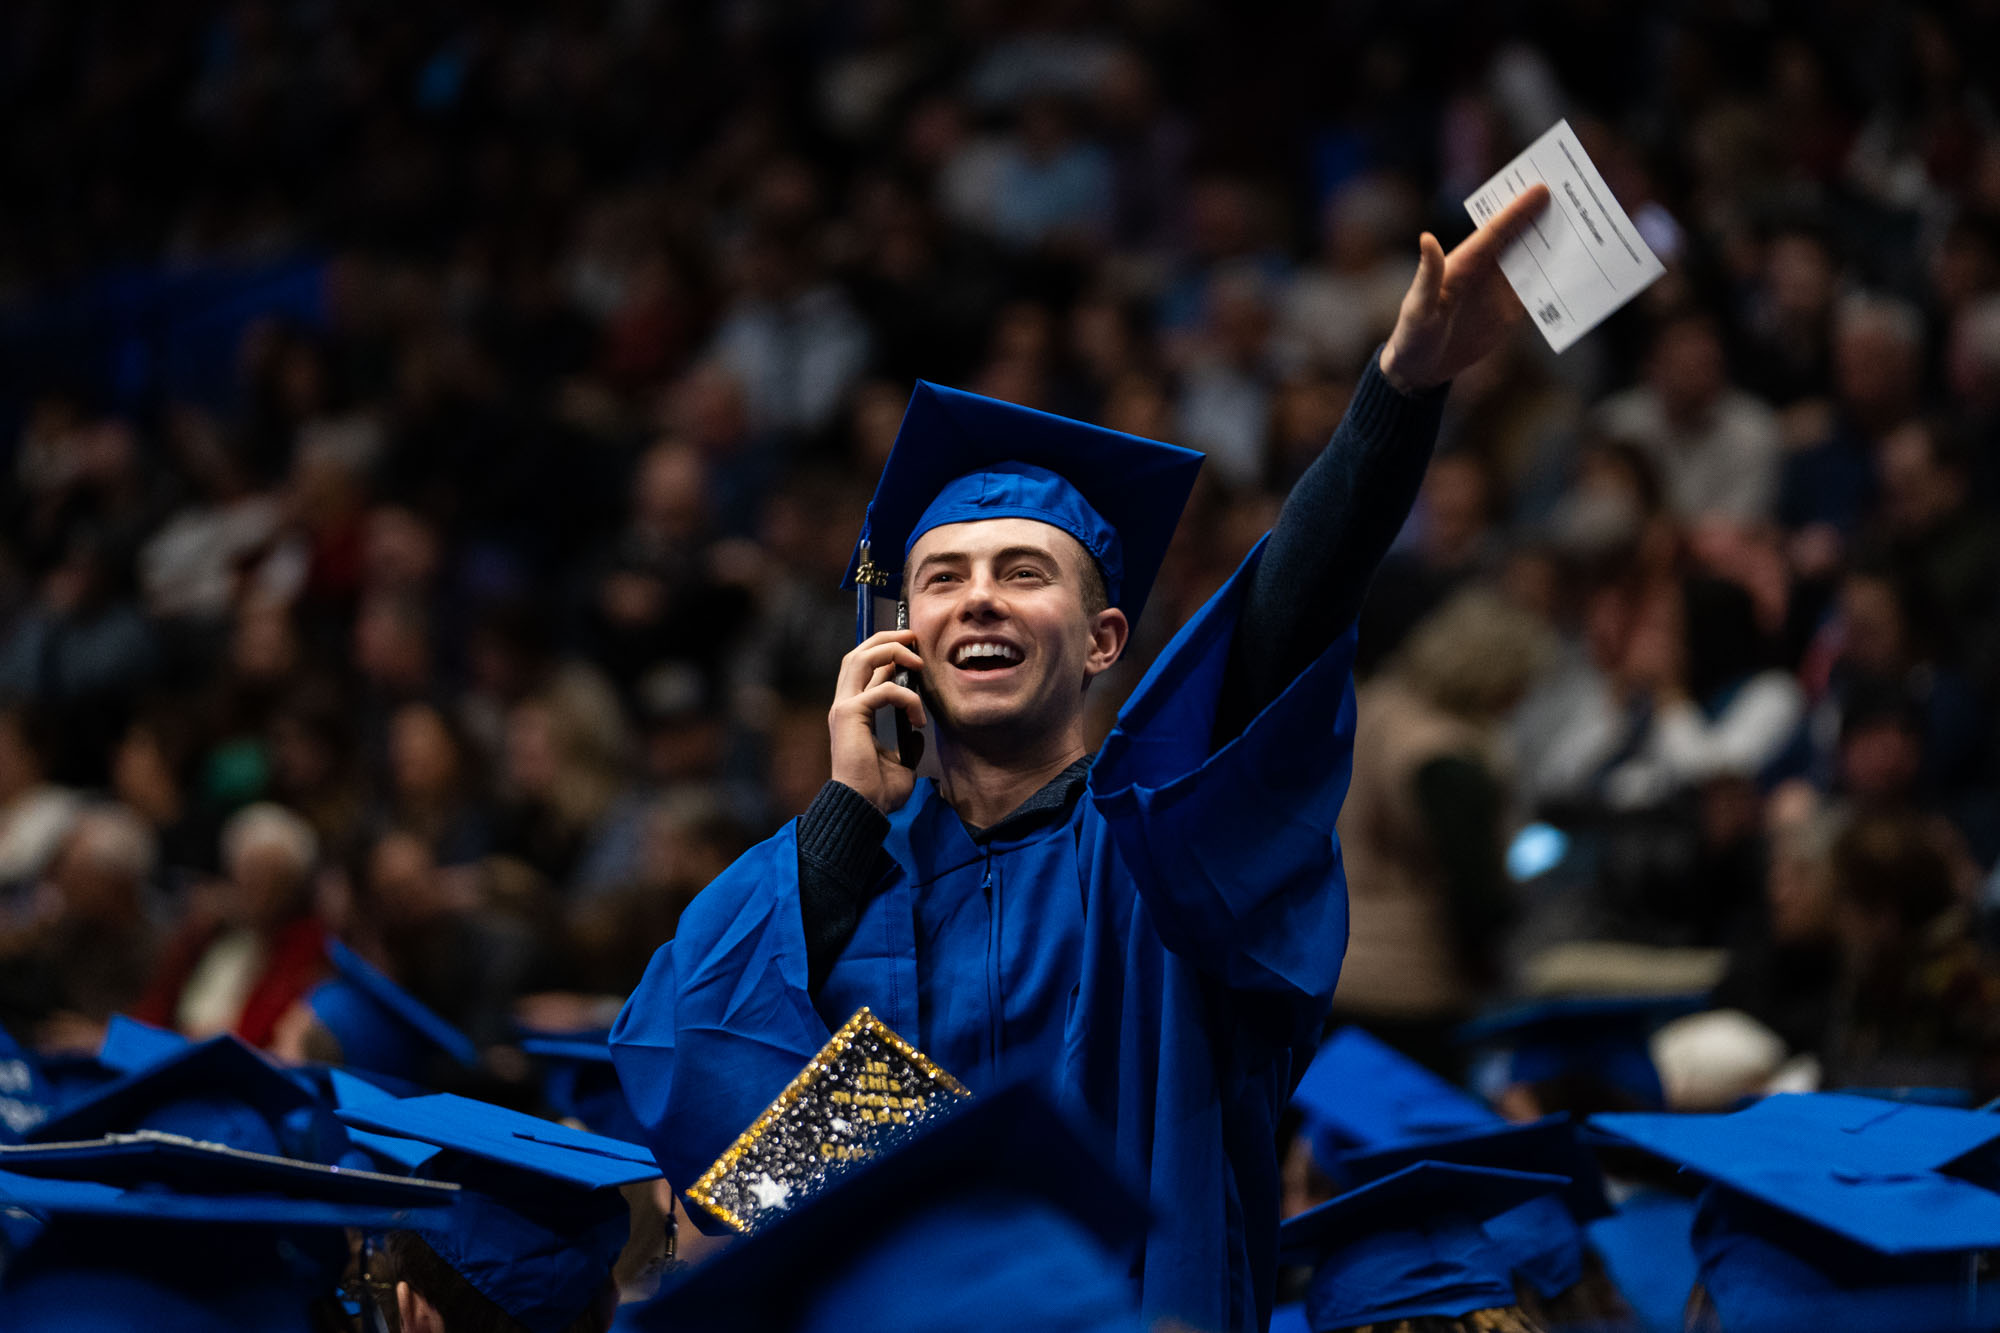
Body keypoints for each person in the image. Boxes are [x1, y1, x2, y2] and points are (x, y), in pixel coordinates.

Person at [611, 185, 1552, 1331]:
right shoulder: (840, 884)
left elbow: (1273, 629)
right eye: (942, 577)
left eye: (1022, 571)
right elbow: (697, 1086)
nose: (977, 598)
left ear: (1103, 639)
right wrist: (849, 811)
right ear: (899, 634)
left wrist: (1396, 395)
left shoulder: (1159, 863)